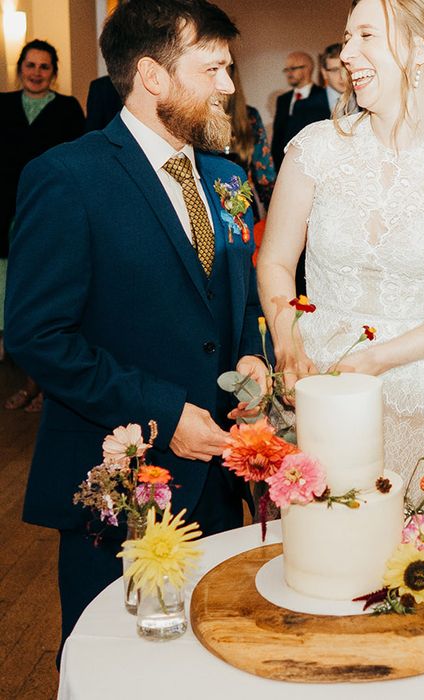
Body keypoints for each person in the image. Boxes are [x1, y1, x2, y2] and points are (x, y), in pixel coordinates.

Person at [4, 0, 266, 662]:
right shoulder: (67, 177)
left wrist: (253, 356)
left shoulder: (229, 178)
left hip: (218, 479)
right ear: (153, 75)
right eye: (214, 69)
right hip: (119, 482)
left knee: (208, 655)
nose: (230, 87)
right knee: (116, 660)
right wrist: (162, 411)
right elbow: (38, 334)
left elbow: (240, 300)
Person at [257, 0, 424, 511]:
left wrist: (376, 359)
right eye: (347, 37)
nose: (347, 53)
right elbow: (276, 262)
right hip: (317, 386)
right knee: (320, 558)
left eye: (366, 37)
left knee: (420, 563)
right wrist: (288, 346)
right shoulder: (314, 149)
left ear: (419, 50)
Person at [0, 39, 85, 412]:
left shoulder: (67, 109)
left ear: (54, 72)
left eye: (44, 67)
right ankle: (23, 381)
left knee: (44, 301)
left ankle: (42, 387)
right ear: (20, 68)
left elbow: (79, 163)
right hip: (4, 216)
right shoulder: (1, 104)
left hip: (49, 214)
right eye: (30, 65)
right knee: (9, 304)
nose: (36, 73)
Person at [224, 60, 276, 217]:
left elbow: (265, 175)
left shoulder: (250, 117)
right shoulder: (192, 120)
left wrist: (274, 216)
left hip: (242, 210)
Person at [271, 51, 330, 172]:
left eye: (293, 68)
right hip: (284, 167)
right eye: (286, 70)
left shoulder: (325, 96)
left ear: (308, 69)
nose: (289, 74)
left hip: (315, 166)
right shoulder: (282, 100)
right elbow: (277, 137)